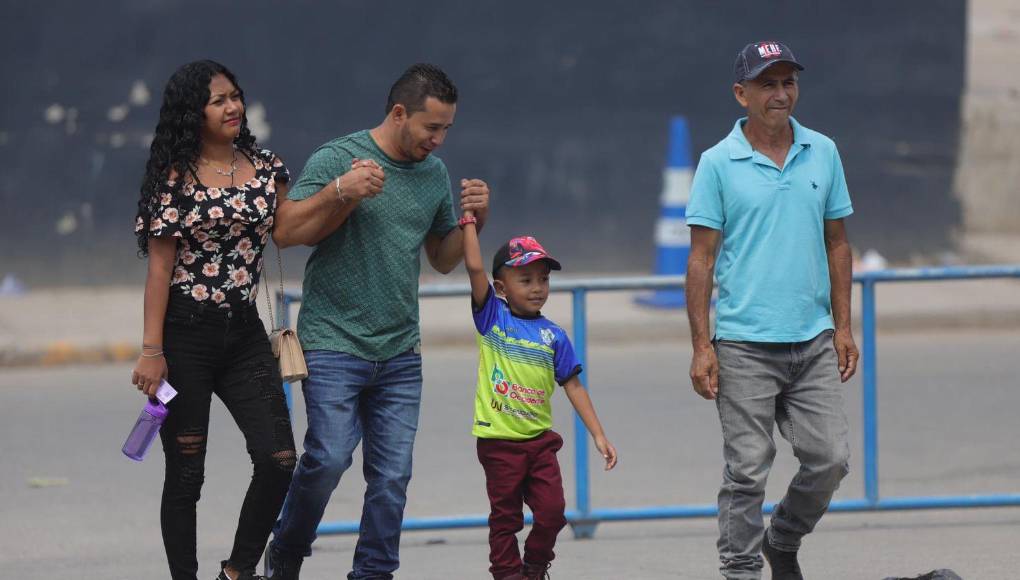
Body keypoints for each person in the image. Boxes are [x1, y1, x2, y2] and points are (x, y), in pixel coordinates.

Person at [265, 63, 491, 580]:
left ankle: (373, 573)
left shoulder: (433, 175)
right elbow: (284, 231)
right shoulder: (338, 157)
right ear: (398, 113)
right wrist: (340, 190)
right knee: (327, 458)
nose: (438, 140)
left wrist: (474, 219)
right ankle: (287, 548)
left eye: (446, 130)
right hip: (332, 340)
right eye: (430, 127)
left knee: (391, 479)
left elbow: (441, 256)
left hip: (399, 350)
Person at [684, 42, 859, 580]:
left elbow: (837, 243)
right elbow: (702, 258)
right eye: (767, 84)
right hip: (743, 344)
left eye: (788, 82)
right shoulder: (717, 163)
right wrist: (701, 345)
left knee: (830, 459)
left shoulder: (823, 151)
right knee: (747, 470)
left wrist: (844, 325)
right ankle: (740, 570)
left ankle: (781, 538)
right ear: (742, 94)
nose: (781, 94)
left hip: (812, 339)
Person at [131, 60, 296, 580]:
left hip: (243, 334)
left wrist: (341, 195)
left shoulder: (267, 166)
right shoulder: (173, 178)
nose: (232, 107)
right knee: (185, 476)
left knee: (279, 461)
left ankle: (238, 570)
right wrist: (152, 350)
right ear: (191, 113)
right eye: (218, 100)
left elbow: (289, 230)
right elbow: (160, 268)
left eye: (235, 96)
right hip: (183, 338)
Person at [460, 214, 618, 580]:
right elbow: (473, 266)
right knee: (506, 519)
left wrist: (598, 434)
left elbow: (574, 386)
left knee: (553, 512)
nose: (537, 288)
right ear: (501, 287)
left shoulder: (554, 336)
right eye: (526, 279)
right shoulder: (492, 318)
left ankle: (534, 566)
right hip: (499, 443)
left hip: (540, 444)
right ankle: (507, 574)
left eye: (544, 279)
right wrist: (469, 221)